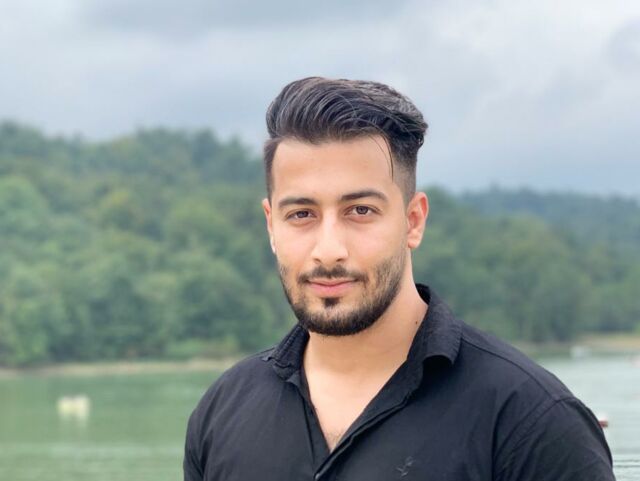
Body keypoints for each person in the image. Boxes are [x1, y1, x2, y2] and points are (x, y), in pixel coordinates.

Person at [183, 77, 615, 481]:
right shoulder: (221, 414)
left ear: (413, 221)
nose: (329, 249)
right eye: (301, 214)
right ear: (271, 226)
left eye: (360, 211)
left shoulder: (532, 421)